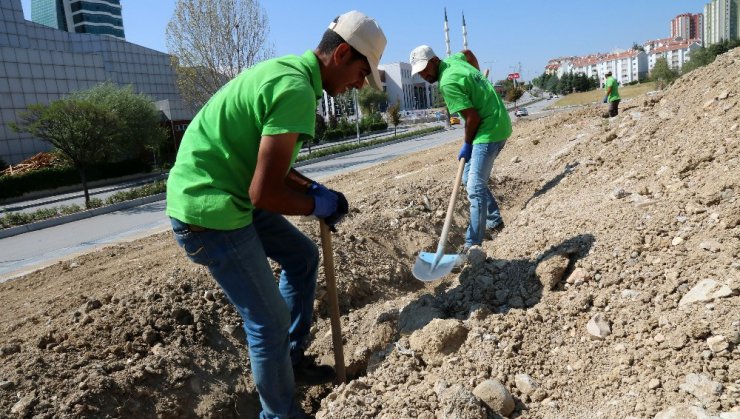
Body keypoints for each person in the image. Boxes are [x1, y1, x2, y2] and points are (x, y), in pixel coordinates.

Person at [165, 11, 386, 418]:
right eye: (360, 73)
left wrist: (313, 190)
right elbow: (264, 191)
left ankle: (290, 360)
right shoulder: (296, 89)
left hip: (230, 194)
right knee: (267, 321)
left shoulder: (287, 73)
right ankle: (281, 413)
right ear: (340, 54)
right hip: (209, 211)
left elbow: (272, 166)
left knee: (301, 257)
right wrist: (312, 205)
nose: (359, 85)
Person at [409, 45, 512, 251]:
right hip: (498, 122)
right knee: (467, 178)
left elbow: (472, 117)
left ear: (434, 60)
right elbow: (468, 52)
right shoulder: (454, 61)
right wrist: (477, 78)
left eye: (424, 69)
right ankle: (493, 220)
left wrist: (467, 144)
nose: (423, 75)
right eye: (419, 71)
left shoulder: (447, 82)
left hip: (489, 130)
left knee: (474, 186)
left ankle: (472, 243)